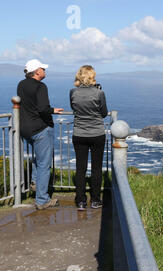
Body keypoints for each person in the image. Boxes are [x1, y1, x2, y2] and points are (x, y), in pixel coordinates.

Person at [17, 59, 64, 210]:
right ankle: (42, 200)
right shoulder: (41, 86)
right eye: (43, 68)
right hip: (40, 128)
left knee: (39, 158)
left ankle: (35, 183)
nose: (45, 71)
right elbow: (43, 108)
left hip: (25, 129)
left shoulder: (21, 84)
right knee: (44, 163)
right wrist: (53, 110)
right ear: (37, 71)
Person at [70, 65, 108, 210]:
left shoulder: (73, 92)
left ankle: (80, 201)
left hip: (79, 134)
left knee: (81, 168)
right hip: (97, 133)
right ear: (92, 77)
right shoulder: (99, 93)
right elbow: (104, 113)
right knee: (96, 168)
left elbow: (74, 109)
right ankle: (96, 200)